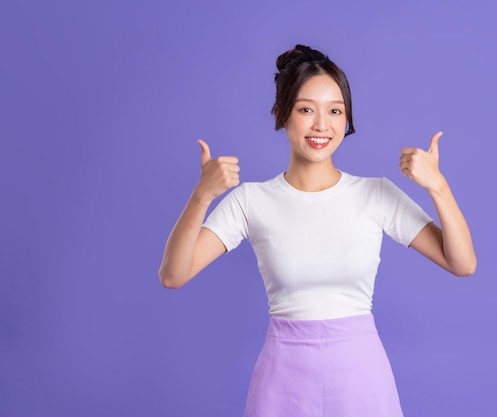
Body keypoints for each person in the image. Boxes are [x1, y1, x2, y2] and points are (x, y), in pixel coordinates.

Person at [159, 44, 476, 417]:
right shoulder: (252, 201)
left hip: (362, 378)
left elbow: (462, 263)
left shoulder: (375, 194)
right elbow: (173, 275)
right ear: (281, 114)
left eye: (335, 111)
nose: (322, 125)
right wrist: (201, 196)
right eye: (306, 109)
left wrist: (438, 186)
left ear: (347, 119)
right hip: (282, 381)